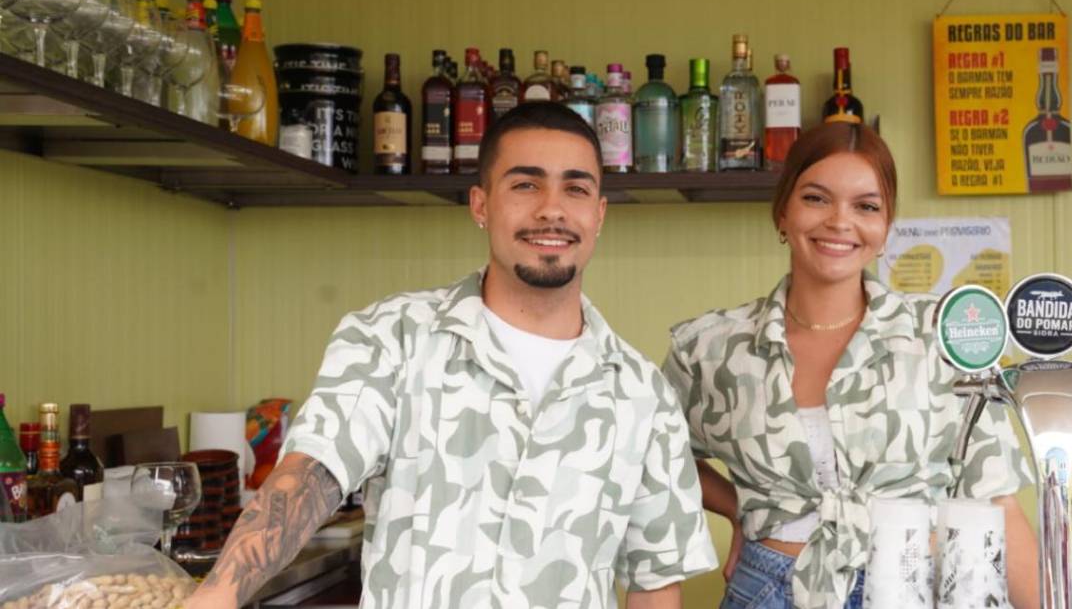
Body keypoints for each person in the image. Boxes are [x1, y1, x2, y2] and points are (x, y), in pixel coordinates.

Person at [187, 102, 717, 609]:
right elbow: (312, 474)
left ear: (598, 215)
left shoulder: (643, 395)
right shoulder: (390, 338)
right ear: (481, 205)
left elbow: (654, 583)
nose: (552, 209)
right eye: (526, 184)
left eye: (575, 189)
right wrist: (220, 591)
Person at [661, 123, 1039, 608]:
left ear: (886, 230)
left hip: (918, 589)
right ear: (782, 211)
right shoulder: (713, 348)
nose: (840, 221)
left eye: (866, 206)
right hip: (770, 589)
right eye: (817, 198)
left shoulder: (940, 339)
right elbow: (658, 456)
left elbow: (998, 502)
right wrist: (739, 510)